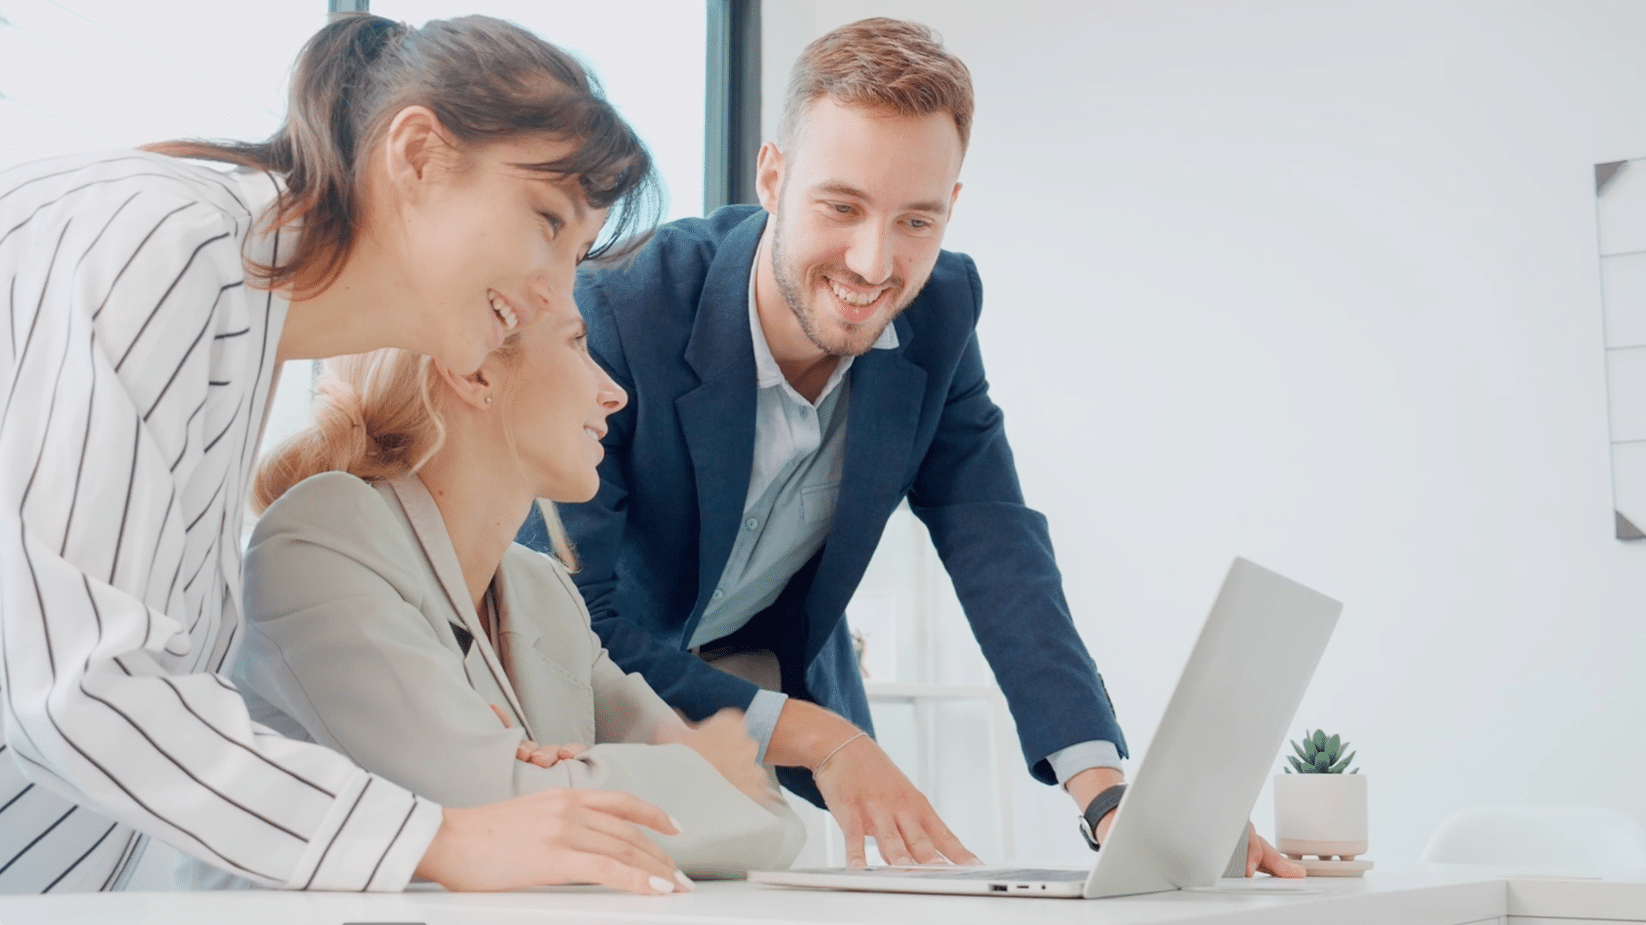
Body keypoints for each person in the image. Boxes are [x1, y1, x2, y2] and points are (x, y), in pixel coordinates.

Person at [517, 17, 1304, 875]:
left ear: (952, 210)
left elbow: (996, 539)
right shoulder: (623, 309)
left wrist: (1109, 794)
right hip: (587, 689)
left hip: (757, 683)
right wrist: (824, 739)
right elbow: (572, 624)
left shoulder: (937, 312)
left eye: (916, 221)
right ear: (773, 177)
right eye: (842, 205)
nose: (873, 262)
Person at [0, 13, 697, 896]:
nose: (556, 288)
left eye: (578, 251)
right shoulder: (169, 245)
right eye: (546, 221)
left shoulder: (233, 324)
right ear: (416, 155)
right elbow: (80, 688)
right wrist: (440, 838)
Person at [174, 317, 806, 889]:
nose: (614, 392)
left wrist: (570, 775)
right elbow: (486, 805)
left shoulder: (543, 590)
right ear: (474, 371)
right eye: (577, 343)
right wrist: (664, 772)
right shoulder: (323, 537)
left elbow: (768, 818)